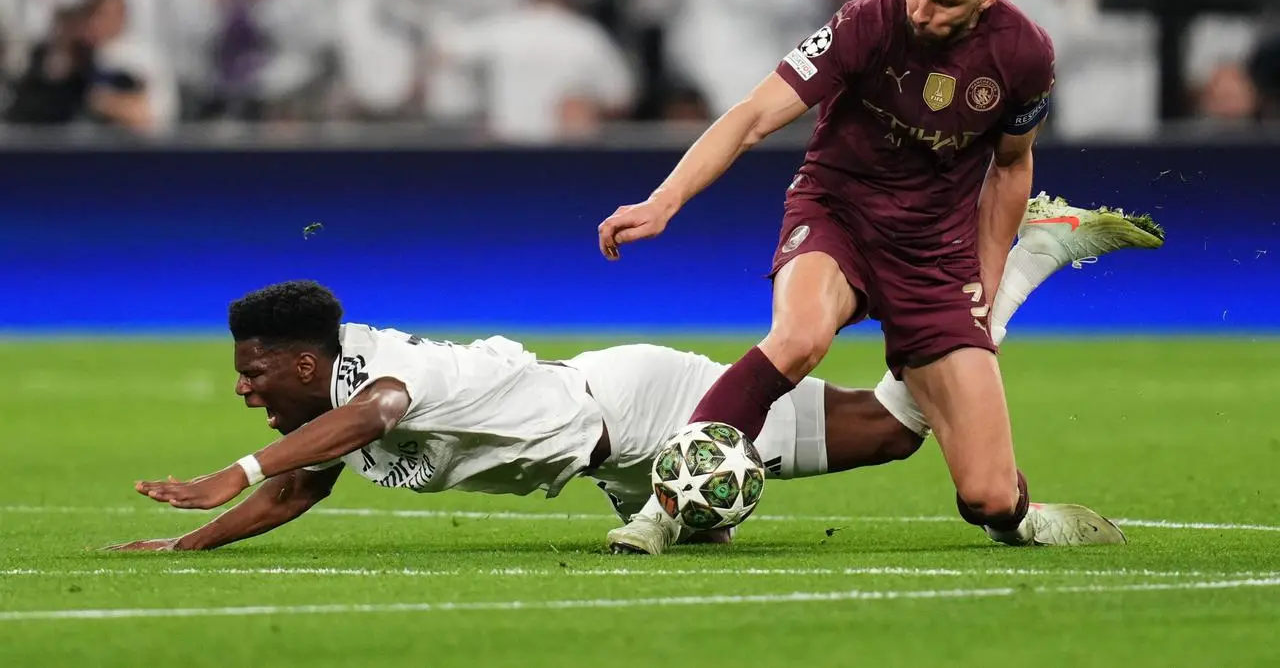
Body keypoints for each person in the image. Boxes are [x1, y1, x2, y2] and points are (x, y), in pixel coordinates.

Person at [106, 194, 1163, 553]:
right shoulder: (327, 402)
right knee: (893, 424)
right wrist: (192, 537)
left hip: (637, 402)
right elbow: (303, 483)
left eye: (253, 373)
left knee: (894, 431)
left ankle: (1024, 252)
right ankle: (1021, 258)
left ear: (300, 359)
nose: (244, 385)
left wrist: (229, 465)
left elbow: (371, 416)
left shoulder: (373, 375)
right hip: (608, 453)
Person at [596, 0, 1134, 555]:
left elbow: (1012, 166)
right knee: (797, 338)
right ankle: (664, 508)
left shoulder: (1024, 56)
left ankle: (1021, 516)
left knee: (987, 497)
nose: (920, 9)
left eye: (942, 1)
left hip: (933, 251)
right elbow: (753, 115)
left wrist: (986, 277)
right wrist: (664, 199)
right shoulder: (867, 22)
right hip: (836, 215)